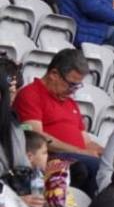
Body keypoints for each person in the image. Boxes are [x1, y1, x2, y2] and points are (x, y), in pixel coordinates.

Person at [13, 49, 104, 195]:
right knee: (93, 166)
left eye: (77, 86)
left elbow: (86, 141)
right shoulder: (31, 94)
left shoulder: (71, 103)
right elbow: (37, 137)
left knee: (111, 166)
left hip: (77, 158)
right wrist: (82, 152)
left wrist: (105, 152)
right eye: (71, 85)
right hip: (50, 159)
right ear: (54, 74)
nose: (73, 91)